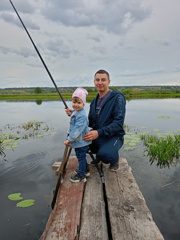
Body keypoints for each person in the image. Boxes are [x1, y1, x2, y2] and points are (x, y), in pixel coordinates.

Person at [83, 69, 126, 171]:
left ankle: (114, 159)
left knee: (106, 155)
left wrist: (98, 132)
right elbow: (90, 121)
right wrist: (75, 114)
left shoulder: (117, 98)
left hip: (114, 136)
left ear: (109, 82)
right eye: (97, 80)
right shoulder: (94, 101)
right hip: (99, 135)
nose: (100, 82)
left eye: (103, 80)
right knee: (77, 140)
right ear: (94, 82)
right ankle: (99, 155)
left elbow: (118, 124)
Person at [64, 88, 92, 182]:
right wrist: (71, 112)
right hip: (79, 141)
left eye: (79, 103)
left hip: (81, 141)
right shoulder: (77, 112)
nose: (76, 104)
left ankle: (81, 175)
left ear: (83, 103)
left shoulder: (82, 116)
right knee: (81, 156)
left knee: (81, 157)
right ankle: (85, 170)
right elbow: (75, 113)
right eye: (74, 102)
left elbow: (77, 130)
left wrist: (69, 139)